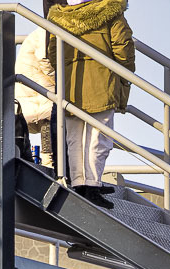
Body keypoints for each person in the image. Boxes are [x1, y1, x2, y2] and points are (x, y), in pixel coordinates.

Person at [47, 0, 134, 203]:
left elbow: (53, 55)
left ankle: (78, 183)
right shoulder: (111, 13)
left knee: (74, 138)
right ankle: (92, 184)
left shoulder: (59, 18)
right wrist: (126, 74)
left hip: (70, 86)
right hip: (101, 82)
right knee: (99, 138)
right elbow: (124, 49)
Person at [14, 1, 64, 169]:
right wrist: (62, 79)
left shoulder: (42, 30)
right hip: (39, 92)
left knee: (50, 126)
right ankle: (51, 166)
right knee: (50, 124)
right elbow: (46, 59)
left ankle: (51, 164)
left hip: (34, 91)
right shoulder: (46, 31)